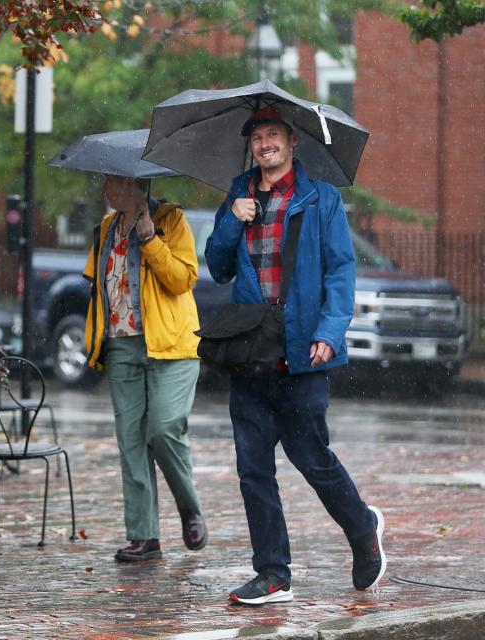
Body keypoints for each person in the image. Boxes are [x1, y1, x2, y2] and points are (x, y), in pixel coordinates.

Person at [204, 106, 386, 605]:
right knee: (253, 468)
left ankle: (363, 527)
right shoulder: (238, 197)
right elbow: (218, 267)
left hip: (303, 350)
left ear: (291, 142)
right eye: (258, 138)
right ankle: (273, 573)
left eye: (273, 135)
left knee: (312, 458)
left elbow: (339, 273)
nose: (265, 144)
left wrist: (330, 330)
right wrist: (229, 222)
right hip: (251, 354)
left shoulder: (320, 200)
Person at [83, 174, 208, 562]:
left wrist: (151, 240)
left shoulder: (170, 220)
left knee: (164, 428)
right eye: (105, 182)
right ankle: (144, 536)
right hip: (122, 345)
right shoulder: (105, 228)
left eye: (114, 182)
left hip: (171, 343)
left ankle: (189, 508)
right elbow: (98, 284)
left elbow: (183, 279)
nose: (106, 189)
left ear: (137, 185)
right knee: (131, 440)